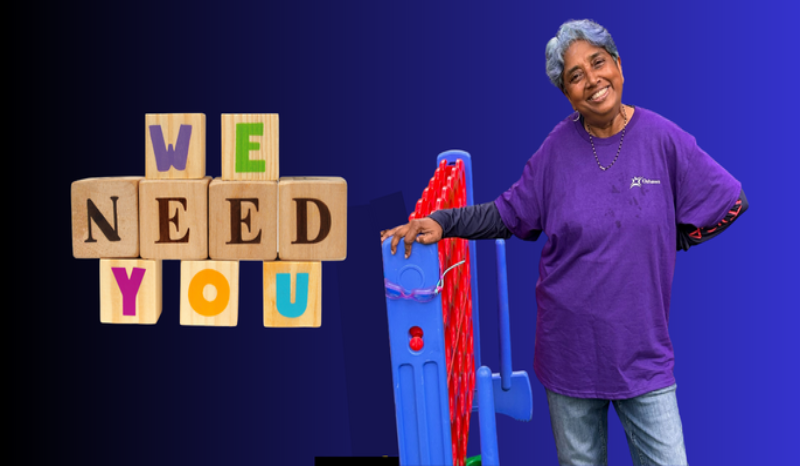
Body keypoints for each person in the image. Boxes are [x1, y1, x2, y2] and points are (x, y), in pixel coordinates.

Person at [380, 19, 747, 466]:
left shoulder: (663, 139)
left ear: (618, 65)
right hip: (568, 354)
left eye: (598, 63)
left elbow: (730, 202)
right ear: (567, 93)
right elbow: (508, 214)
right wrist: (443, 220)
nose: (592, 80)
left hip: (642, 355)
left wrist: (677, 240)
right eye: (575, 76)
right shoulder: (557, 149)